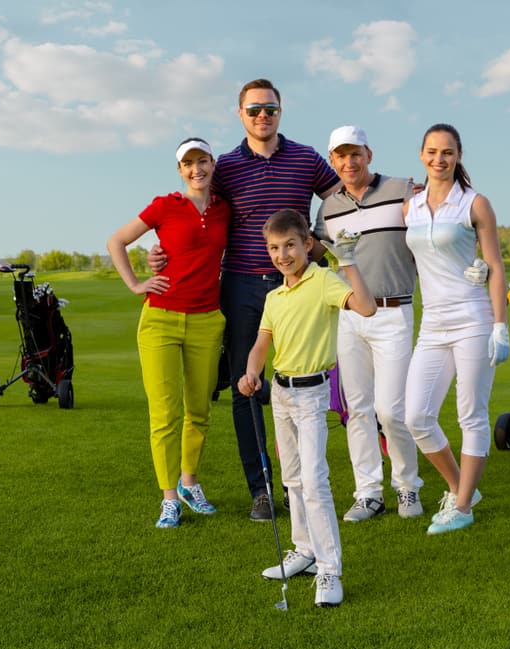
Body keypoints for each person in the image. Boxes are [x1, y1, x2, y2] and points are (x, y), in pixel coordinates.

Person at [150, 79, 340, 521]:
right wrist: (159, 249)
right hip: (240, 286)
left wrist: (321, 245)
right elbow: (196, 213)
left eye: (270, 109)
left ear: (280, 111)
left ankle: (298, 483)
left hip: (298, 286)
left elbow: (339, 200)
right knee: (246, 386)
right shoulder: (228, 166)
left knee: (302, 379)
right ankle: (261, 488)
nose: (262, 116)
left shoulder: (306, 158)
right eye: (254, 110)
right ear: (240, 115)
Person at [237, 208, 376, 608]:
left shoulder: (323, 281)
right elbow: (263, 344)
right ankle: (305, 550)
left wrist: (347, 261)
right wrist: (251, 374)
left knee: (315, 482)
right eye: (274, 248)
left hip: (313, 395)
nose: (283, 255)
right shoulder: (274, 296)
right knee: (293, 479)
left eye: (290, 246)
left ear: (306, 245)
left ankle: (330, 569)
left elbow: (365, 308)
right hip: (280, 392)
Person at [106, 138, 229, 529]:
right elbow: (117, 241)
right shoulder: (164, 206)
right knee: (165, 414)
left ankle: (189, 483)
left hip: (208, 319)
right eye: (189, 164)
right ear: (180, 170)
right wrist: (136, 284)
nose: (197, 169)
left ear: (212, 164)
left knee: (200, 410)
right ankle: (169, 498)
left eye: (203, 161)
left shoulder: (225, 207)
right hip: (160, 319)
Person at [312, 125, 425, 522]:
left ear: (369, 154)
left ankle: (408, 486)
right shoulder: (329, 209)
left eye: (355, 153)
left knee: (392, 410)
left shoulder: (401, 189)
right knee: (357, 409)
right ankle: (368, 492)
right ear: (333, 162)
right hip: (349, 318)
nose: (349, 162)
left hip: (394, 311)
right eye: (340, 156)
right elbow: (319, 253)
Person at [402, 123, 509, 535]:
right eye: (432, 151)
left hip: (472, 318)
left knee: (471, 414)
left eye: (447, 152)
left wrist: (500, 325)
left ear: (458, 155)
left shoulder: (474, 204)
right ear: (421, 154)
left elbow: (495, 265)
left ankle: (462, 507)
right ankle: (460, 487)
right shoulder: (410, 208)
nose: (439, 159)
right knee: (416, 416)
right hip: (433, 323)